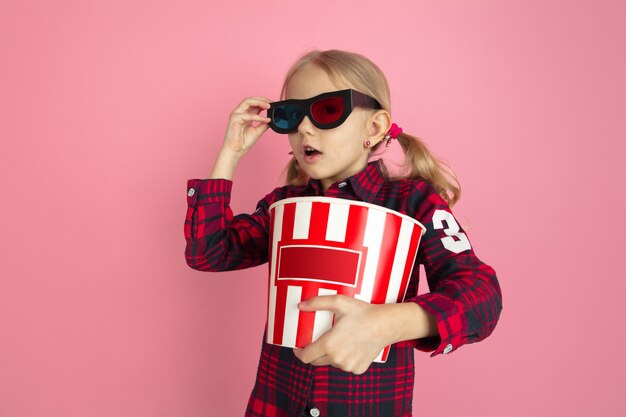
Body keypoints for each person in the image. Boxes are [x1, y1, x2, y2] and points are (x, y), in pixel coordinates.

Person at [184, 49, 502, 417]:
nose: (304, 128)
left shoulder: (415, 203)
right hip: (275, 406)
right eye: (290, 116)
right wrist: (230, 154)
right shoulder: (283, 205)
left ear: (375, 127)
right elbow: (209, 252)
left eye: (327, 111)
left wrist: (387, 324)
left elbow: (482, 296)